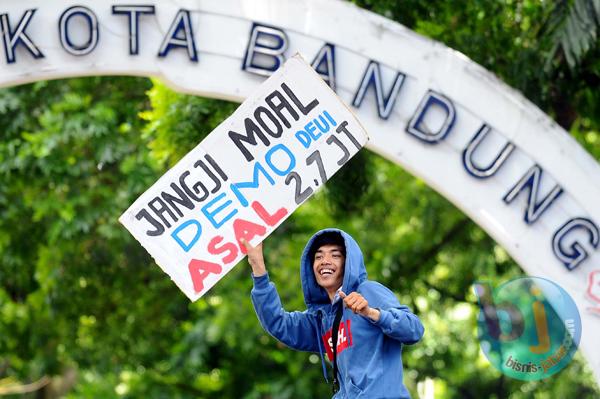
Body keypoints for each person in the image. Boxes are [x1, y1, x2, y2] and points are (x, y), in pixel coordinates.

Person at [242, 228, 424, 398]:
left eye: (335, 255)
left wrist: (372, 313)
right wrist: (258, 267)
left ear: (348, 264)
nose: (325, 261)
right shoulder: (321, 319)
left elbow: (414, 329)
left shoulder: (368, 291)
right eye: (318, 256)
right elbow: (278, 323)